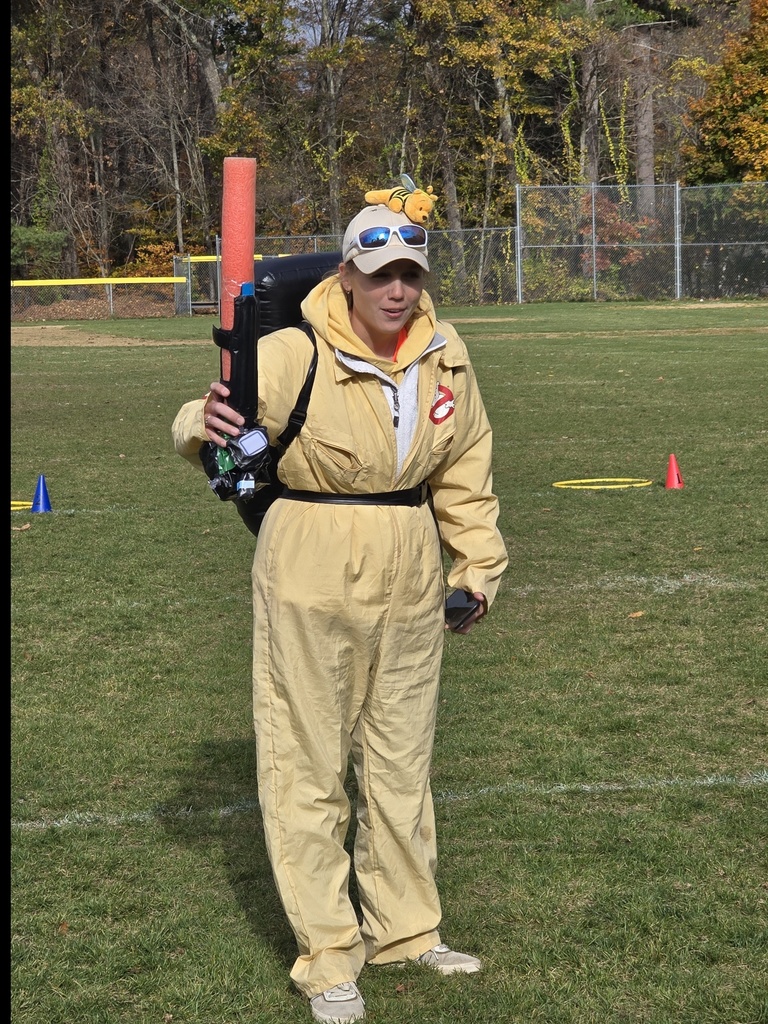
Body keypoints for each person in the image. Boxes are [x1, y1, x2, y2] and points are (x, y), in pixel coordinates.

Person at [172, 197, 508, 1023]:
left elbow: (464, 468)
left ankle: (407, 929)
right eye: (379, 273)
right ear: (347, 276)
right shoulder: (293, 349)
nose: (396, 290)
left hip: (408, 554)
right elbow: (209, 415)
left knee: (401, 759)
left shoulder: (446, 354)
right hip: (311, 553)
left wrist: (477, 567)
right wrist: (204, 425)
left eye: (409, 274)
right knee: (307, 761)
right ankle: (329, 957)